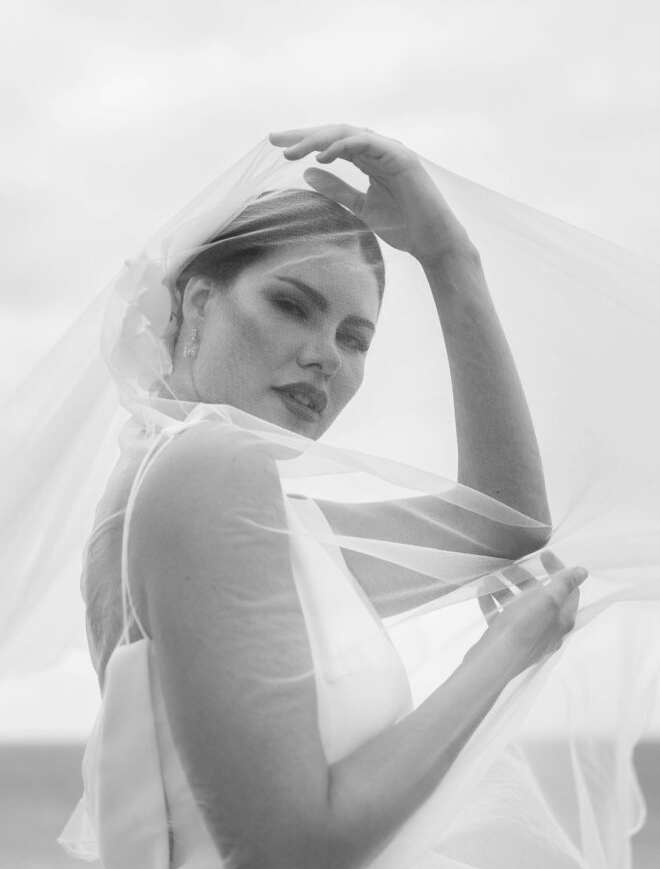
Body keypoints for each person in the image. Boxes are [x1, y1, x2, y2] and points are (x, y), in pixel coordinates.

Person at [52, 125, 658, 868]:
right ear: (199, 303)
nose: (324, 356)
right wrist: (502, 653)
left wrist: (449, 260)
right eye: (291, 305)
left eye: (355, 337)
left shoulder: (196, 499)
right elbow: (293, 848)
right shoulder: (207, 467)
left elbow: (503, 528)